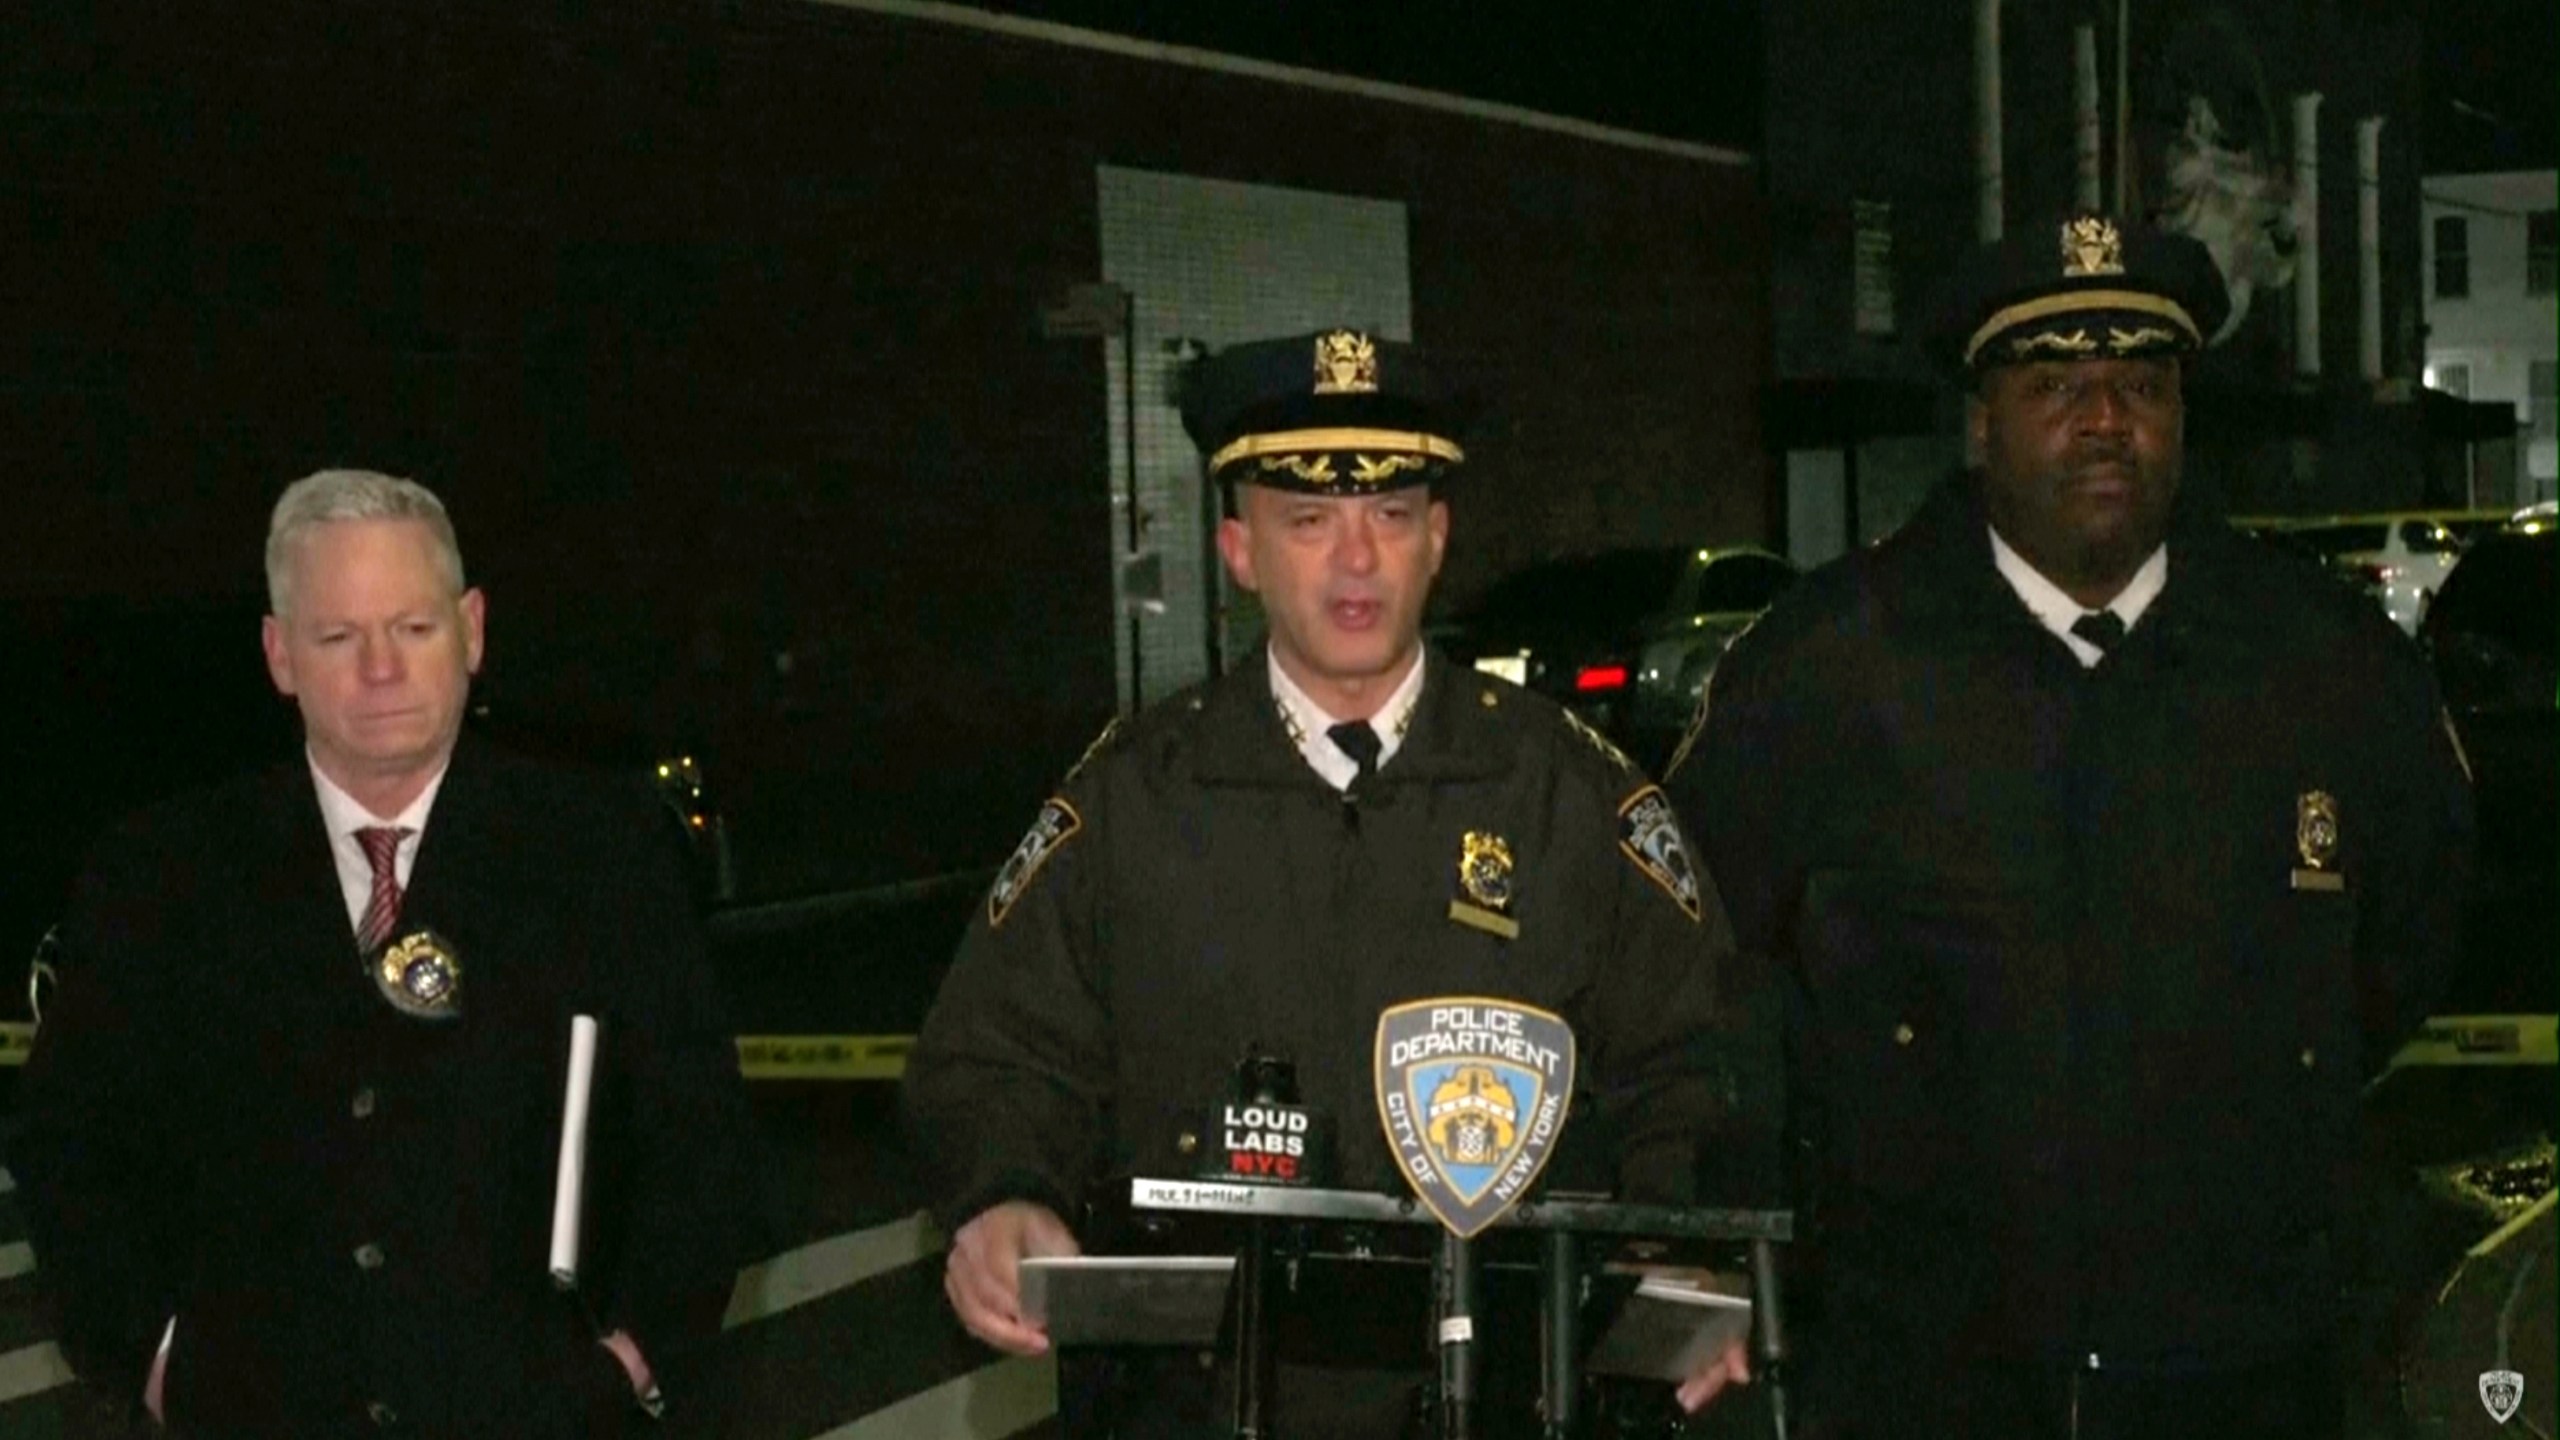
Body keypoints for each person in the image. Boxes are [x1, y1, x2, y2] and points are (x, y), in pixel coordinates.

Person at [1662, 215, 2476, 1439]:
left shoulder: (2325, 668)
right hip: (1918, 1360)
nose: (2105, 419)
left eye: (2141, 383)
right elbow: (1692, 965)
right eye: (2055, 385)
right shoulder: (1826, 670)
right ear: (1980, 421)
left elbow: (2411, 941)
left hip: (2244, 1357)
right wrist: (1727, 1248)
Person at [904, 329, 1752, 1434]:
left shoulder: (1567, 796)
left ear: (1437, 539)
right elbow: (999, 1050)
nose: (1356, 560)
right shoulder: (1131, 802)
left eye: (1390, 517)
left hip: (1504, 1395)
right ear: (1239, 550)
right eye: (1308, 521)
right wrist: (1003, 1194)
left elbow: (1703, 1048)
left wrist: (1687, 1251)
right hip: (1198, 1405)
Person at [15, 470, 770, 1438]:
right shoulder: (159, 876)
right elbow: (70, 1148)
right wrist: (159, 1363)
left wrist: (625, 1358)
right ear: (280, 654)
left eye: (412, 629)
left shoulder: (600, 852)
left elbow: (699, 1138)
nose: (381, 668)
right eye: (339, 636)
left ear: (473, 631)